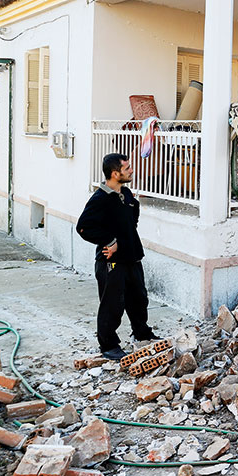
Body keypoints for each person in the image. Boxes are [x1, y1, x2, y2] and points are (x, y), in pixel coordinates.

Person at [76, 153, 158, 359]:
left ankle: (142, 334)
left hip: (132, 258)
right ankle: (109, 345)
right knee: (112, 304)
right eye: (127, 168)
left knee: (139, 299)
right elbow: (84, 227)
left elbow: (133, 215)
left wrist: (125, 238)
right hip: (110, 262)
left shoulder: (127, 194)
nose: (131, 170)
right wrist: (110, 242)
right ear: (115, 173)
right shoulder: (100, 199)